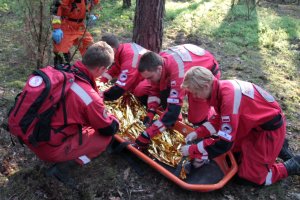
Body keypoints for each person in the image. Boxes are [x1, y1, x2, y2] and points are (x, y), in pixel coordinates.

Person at [16, 41, 119, 184]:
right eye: (107, 68)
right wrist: (113, 119)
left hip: (31, 134)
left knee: (84, 125)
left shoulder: (60, 71)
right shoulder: (89, 98)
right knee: (103, 138)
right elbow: (108, 128)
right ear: (101, 69)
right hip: (47, 147)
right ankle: (66, 167)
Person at [180, 66, 299, 186]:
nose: (194, 97)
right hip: (251, 125)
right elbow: (219, 119)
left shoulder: (228, 99)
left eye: (195, 93)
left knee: (250, 178)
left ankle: (292, 165)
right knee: (233, 158)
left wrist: (193, 150)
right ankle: (279, 147)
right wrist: (198, 133)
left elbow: (224, 144)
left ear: (205, 86)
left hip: (268, 131)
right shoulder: (220, 89)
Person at [135, 44, 221, 148]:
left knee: (196, 119)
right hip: (186, 70)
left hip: (203, 78)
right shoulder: (159, 63)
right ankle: (169, 120)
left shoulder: (178, 72)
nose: (148, 81)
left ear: (159, 69)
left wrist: (147, 134)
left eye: (150, 77)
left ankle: (210, 115)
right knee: (141, 90)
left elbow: (172, 111)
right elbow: (154, 89)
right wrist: (151, 111)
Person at [99, 34, 151, 104]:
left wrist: (102, 95)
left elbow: (121, 87)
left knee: (139, 90)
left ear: (112, 50)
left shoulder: (129, 58)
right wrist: (101, 82)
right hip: (147, 76)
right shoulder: (123, 50)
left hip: (155, 83)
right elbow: (116, 68)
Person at [51, 0, 99, 66]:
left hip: (80, 27)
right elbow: (56, 8)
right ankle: (61, 69)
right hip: (66, 26)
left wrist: (93, 15)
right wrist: (56, 28)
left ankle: (89, 70)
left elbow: (95, 7)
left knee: (91, 51)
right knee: (60, 53)